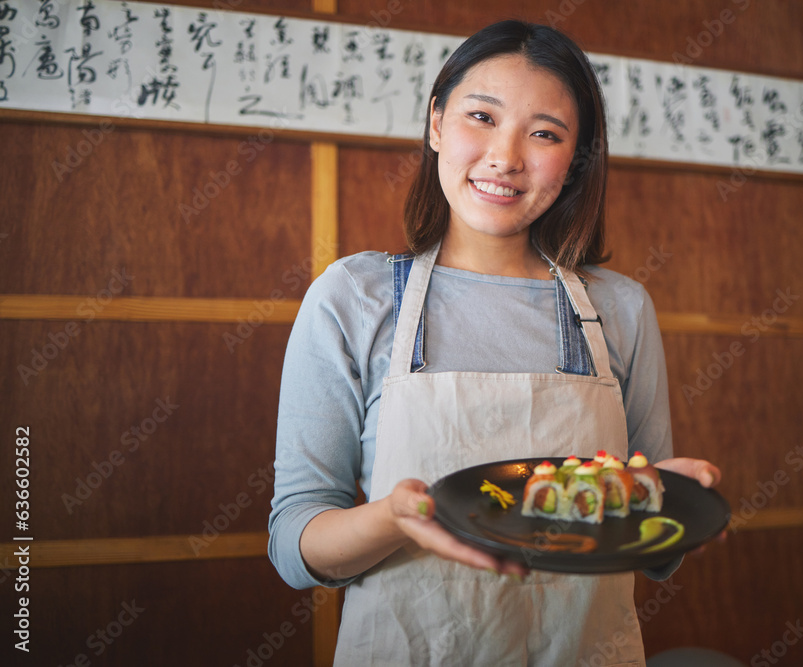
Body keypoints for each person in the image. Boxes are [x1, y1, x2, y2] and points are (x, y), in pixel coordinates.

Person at [269, 20, 721, 666]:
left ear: (575, 161)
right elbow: (295, 545)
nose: (506, 156)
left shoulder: (621, 310)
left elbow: (653, 554)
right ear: (435, 123)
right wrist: (397, 516)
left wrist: (670, 507)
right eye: (482, 116)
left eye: (544, 134)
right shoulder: (352, 297)